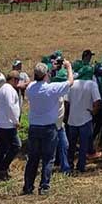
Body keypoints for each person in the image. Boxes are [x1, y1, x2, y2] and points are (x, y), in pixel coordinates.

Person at [23, 61, 74, 195]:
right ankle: (44, 186)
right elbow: (70, 82)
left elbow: (36, 82)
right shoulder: (52, 88)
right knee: (48, 158)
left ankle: (28, 186)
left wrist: (51, 69)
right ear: (46, 75)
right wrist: (68, 67)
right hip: (49, 128)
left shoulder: (30, 88)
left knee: (33, 158)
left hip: (34, 127)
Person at [66, 66, 101, 172]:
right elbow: (97, 102)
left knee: (71, 145)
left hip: (72, 119)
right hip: (85, 119)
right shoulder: (92, 84)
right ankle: (81, 167)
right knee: (83, 145)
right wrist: (93, 112)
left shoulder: (72, 84)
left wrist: (67, 115)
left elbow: (66, 102)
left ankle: (69, 165)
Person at [0, 71, 22, 181]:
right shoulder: (9, 90)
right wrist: (15, 121)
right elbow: (10, 106)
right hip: (7, 124)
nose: (18, 82)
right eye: (17, 80)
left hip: (1, 123)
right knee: (16, 146)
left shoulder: (3, 88)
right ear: (13, 79)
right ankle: (2, 168)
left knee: (2, 148)